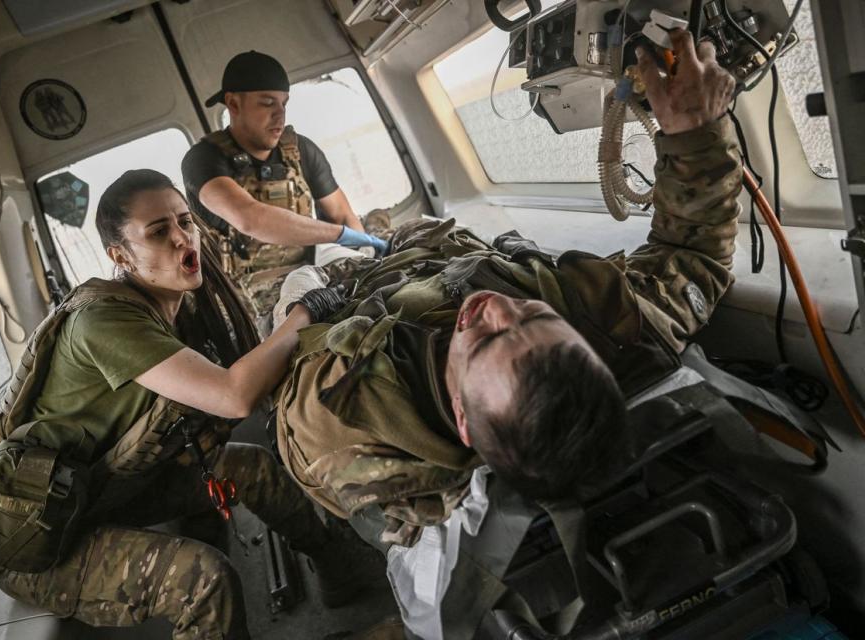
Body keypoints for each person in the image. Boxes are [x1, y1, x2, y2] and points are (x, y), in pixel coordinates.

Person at [270, 29, 741, 547]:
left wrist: (309, 299)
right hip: (433, 242)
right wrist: (693, 131)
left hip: (346, 289)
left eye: (487, 339)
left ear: (465, 424)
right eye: (535, 317)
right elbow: (695, 258)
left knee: (317, 255)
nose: (493, 308)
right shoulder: (606, 337)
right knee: (394, 226)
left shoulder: (341, 416)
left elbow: (294, 422)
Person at [0, 169, 378, 640]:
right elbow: (233, 395)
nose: (183, 239)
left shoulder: (175, 304)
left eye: (185, 221)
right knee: (203, 581)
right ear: (120, 255)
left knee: (251, 466)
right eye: (159, 232)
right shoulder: (105, 319)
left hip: (100, 495)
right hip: (35, 537)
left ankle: (343, 571)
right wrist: (306, 310)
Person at [182, 50, 386, 336]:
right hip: (246, 301)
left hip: (312, 272)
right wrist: (339, 234)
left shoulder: (300, 150)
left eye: (284, 103)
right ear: (233, 103)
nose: (280, 115)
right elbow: (251, 219)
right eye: (267, 103)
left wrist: (365, 260)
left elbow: (341, 213)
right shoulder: (203, 160)